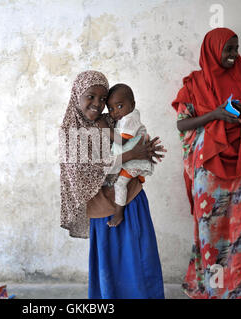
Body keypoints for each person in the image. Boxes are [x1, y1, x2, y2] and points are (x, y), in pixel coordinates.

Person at [172, 28, 241, 299]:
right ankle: (215, 289)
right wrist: (215, 114)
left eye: (236, 48)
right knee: (212, 231)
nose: (233, 55)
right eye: (228, 49)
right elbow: (182, 123)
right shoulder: (194, 83)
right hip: (209, 166)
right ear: (212, 49)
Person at [59, 70, 165, 299]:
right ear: (77, 95)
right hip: (101, 212)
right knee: (111, 271)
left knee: (141, 262)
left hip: (131, 201)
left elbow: (134, 137)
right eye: (91, 96)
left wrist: (145, 150)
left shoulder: (109, 121)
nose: (97, 104)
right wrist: (131, 154)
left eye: (102, 98)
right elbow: (85, 171)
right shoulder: (71, 133)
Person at [101, 83, 155, 227]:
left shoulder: (130, 118)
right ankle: (138, 176)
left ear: (132, 104)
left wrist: (104, 129)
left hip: (135, 160)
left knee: (119, 183)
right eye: (111, 109)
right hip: (132, 159)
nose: (115, 112)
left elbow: (121, 140)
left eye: (119, 106)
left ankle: (118, 215)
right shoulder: (124, 118)